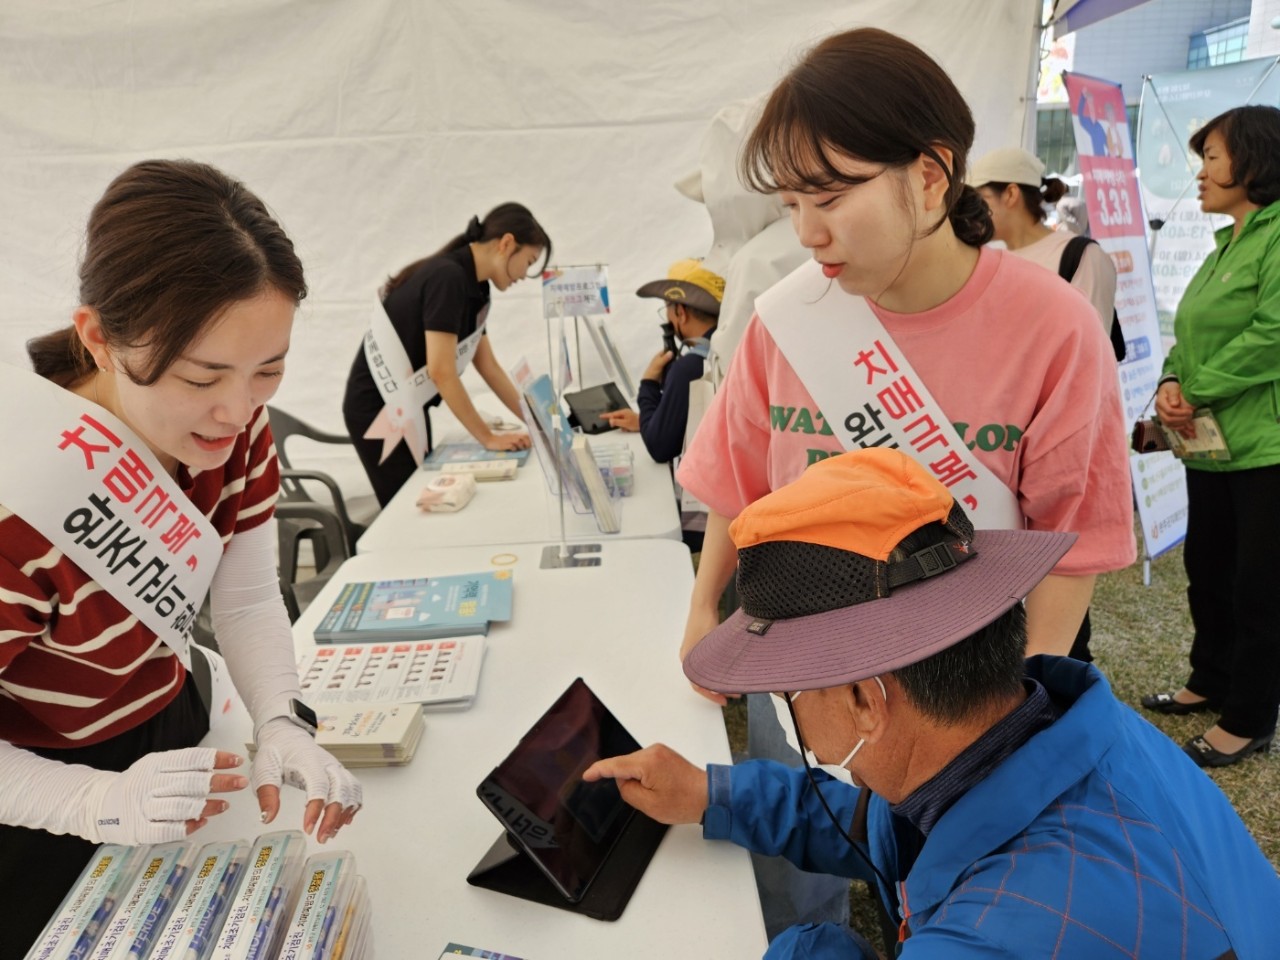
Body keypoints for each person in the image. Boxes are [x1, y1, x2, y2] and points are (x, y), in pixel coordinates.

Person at [586, 448, 1280, 958]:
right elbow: (875, 825)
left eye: (787, 689)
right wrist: (708, 793)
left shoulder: (997, 936)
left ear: (866, 700)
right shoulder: (1047, 732)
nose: (782, 707)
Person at [677, 28, 1133, 687]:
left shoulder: (1055, 328)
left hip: (969, 685)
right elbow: (735, 482)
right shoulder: (785, 319)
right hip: (807, 674)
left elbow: (1073, 543)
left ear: (927, 176)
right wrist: (700, 610)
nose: (807, 233)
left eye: (829, 198)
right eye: (791, 204)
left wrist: (1016, 705)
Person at [0, 159, 362, 958]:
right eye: (203, 377)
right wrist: (95, 803)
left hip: (174, 734)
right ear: (98, 339)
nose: (237, 412)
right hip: (41, 792)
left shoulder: (238, 434)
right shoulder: (14, 493)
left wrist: (278, 719)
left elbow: (243, 599)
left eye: (269, 369)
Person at [1142, 105, 1280, 767]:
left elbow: (1272, 335)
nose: (1200, 173)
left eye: (1213, 157)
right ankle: (1212, 680)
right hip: (1212, 446)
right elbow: (1192, 329)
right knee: (1209, 571)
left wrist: (1196, 390)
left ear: (1254, 162)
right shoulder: (1228, 240)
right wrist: (1171, 380)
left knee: (1260, 586)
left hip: (1267, 449)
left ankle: (1251, 716)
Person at [342, 203, 551, 506]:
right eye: (529, 261)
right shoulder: (449, 278)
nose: (525, 274)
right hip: (380, 409)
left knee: (427, 497)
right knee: (408, 507)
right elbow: (441, 371)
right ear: (507, 244)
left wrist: (535, 420)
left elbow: (488, 366)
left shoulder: (478, 287)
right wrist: (488, 438)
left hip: (408, 404)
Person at [970, 147, 1118, 341]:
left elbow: (1092, 352)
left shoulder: (1083, 257)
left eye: (980, 200)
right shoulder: (991, 261)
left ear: (1011, 194)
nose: (971, 212)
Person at [600, 258, 724, 464]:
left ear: (680, 312)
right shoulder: (729, 346)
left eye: (667, 308)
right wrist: (646, 421)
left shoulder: (689, 369)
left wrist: (649, 383)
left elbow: (659, 448)